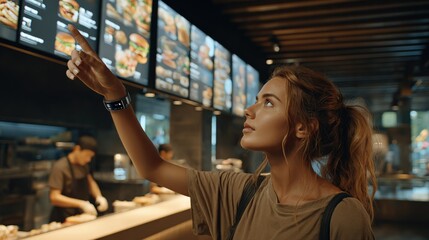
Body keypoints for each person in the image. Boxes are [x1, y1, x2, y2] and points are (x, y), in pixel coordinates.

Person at [65, 24, 377, 239]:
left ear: (302, 128)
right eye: (256, 100)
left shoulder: (343, 216)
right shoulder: (239, 192)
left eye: (268, 103)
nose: (249, 110)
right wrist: (115, 96)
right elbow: (152, 166)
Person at [49, 134, 108, 223]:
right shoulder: (60, 167)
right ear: (77, 149)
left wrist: (99, 197)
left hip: (81, 215)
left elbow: (90, 182)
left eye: (91, 157)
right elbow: (54, 197)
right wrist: (81, 204)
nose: (88, 160)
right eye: (87, 155)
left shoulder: (84, 165)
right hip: (63, 217)